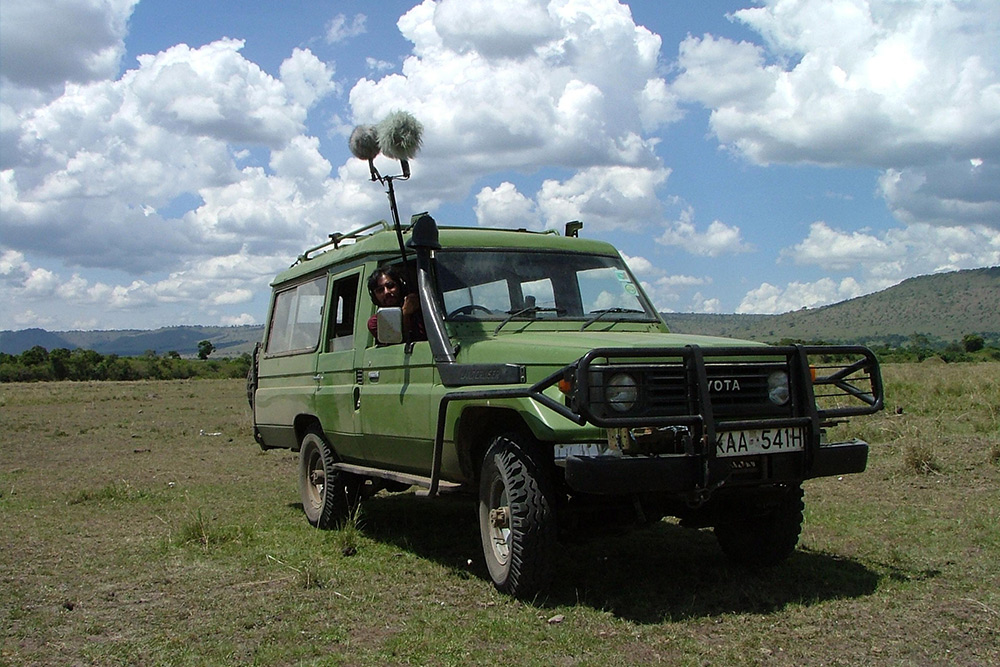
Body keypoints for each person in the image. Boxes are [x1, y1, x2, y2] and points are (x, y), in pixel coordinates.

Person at [366, 266, 427, 342]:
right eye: (380, 290)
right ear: (374, 297)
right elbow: (398, 342)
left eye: (390, 286)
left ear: (400, 286)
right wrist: (405, 314)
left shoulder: (423, 307)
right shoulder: (376, 323)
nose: (386, 292)